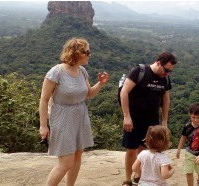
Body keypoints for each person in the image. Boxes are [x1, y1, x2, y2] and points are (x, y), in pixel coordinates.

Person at [39, 37, 109, 186]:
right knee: (65, 163)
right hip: (62, 117)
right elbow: (44, 100)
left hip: (80, 116)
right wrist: (43, 125)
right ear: (77, 53)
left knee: (78, 156)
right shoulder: (56, 72)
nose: (89, 55)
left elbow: (88, 94)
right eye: (87, 52)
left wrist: (101, 84)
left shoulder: (82, 71)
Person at [120, 51, 177, 186]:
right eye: (166, 70)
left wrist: (164, 121)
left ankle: (139, 177)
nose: (167, 73)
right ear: (158, 63)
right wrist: (126, 116)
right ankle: (128, 180)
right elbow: (124, 92)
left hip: (151, 120)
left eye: (170, 71)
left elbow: (165, 99)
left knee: (146, 149)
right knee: (131, 149)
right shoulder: (139, 72)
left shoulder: (165, 79)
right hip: (133, 118)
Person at [176, 103, 199, 186]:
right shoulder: (187, 125)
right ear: (190, 115)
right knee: (188, 172)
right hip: (189, 153)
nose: (195, 120)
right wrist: (178, 149)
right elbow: (183, 137)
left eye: (198, 117)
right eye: (193, 117)